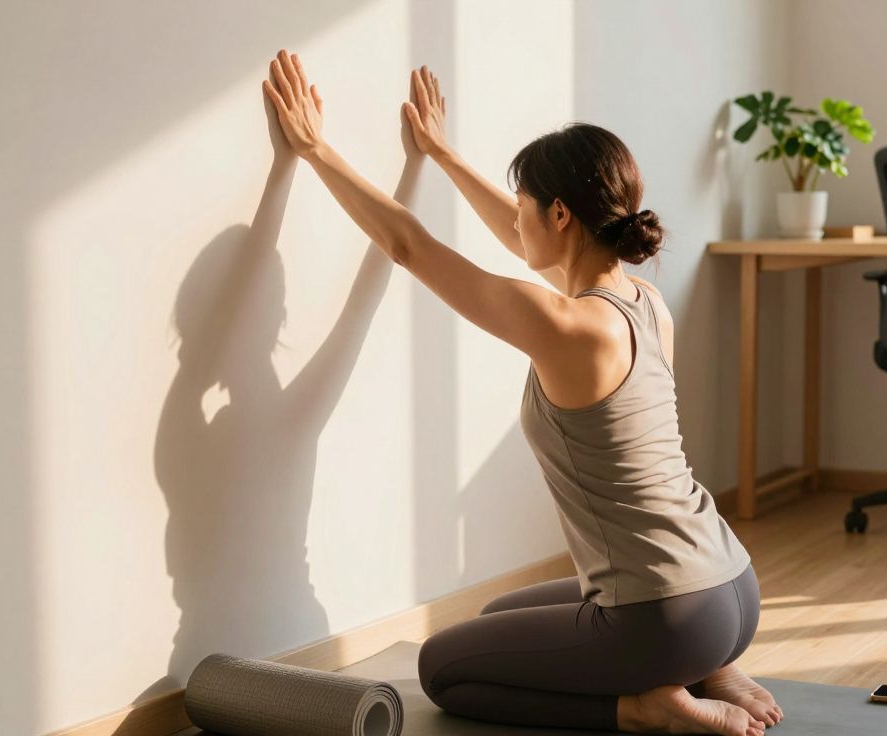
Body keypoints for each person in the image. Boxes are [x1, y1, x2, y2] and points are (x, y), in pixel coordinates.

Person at [263, 49, 783, 735]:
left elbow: (409, 247)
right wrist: (441, 155)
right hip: (730, 587)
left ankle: (644, 707)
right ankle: (713, 667)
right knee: (497, 619)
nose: (517, 218)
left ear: (560, 214)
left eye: (525, 206)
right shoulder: (646, 303)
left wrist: (314, 148)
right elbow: (524, 242)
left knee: (444, 669)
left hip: (666, 616)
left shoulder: (566, 325)